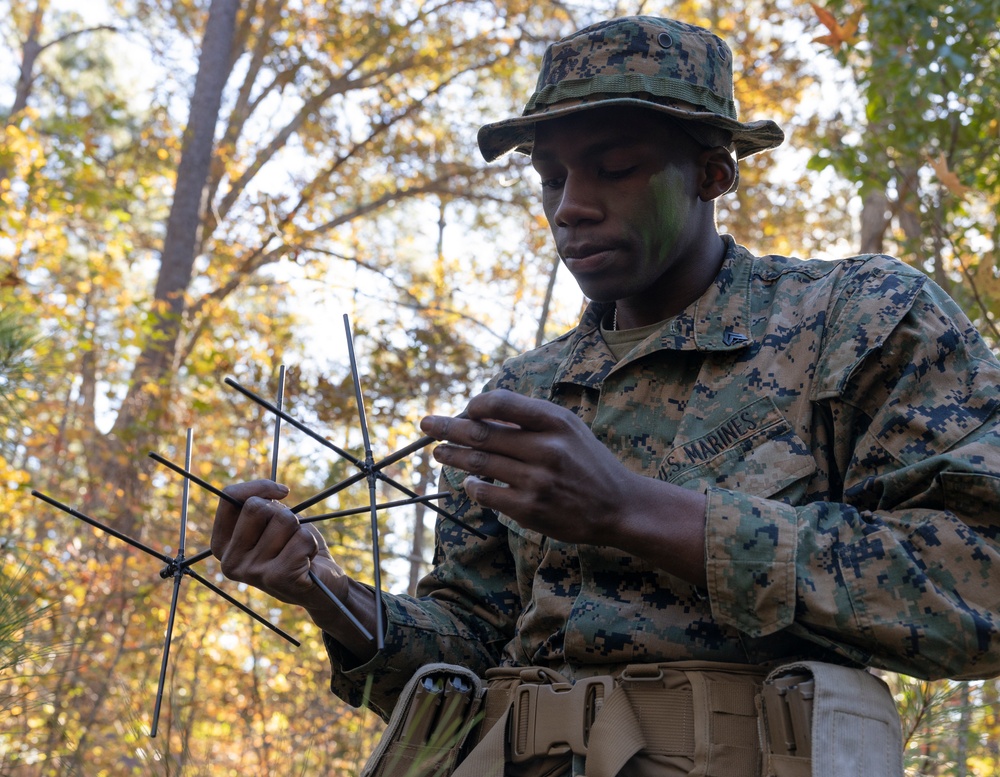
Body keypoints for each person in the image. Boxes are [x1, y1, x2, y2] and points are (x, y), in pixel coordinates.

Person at [211, 16, 1000, 777]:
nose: (570, 206)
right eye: (550, 176)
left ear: (713, 173)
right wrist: (324, 590)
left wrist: (631, 509)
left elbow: (978, 585)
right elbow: (470, 655)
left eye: (614, 168)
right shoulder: (524, 395)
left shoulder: (858, 319)